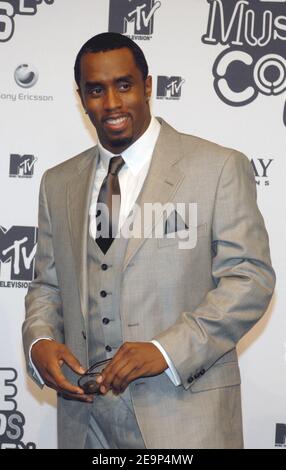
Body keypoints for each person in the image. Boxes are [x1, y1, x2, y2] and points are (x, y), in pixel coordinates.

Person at [22, 32, 275, 449]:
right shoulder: (58, 183)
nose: (112, 103)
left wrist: (167, 349)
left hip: (184, 418)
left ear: (148, 86)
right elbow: (47, 286)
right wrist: (40, 342)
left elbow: (250, 279)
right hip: (85, 424)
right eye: (96, 90)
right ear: (81, 97)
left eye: (124, 85)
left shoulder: (217, 167)